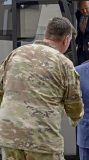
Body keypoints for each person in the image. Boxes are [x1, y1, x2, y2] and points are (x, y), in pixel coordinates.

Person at [0, 17, 84, 160]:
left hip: (9, 136)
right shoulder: (64, 63)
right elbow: (73, 104)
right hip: (43, 140)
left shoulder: (15, 54)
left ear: (46, 35)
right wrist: (76, 118)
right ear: (66, 39)